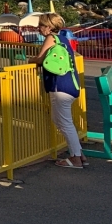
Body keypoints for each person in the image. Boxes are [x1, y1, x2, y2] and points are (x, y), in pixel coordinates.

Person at [33, 13, 85, 168]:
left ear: (49, 27)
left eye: (41, 25)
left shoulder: (51, 38)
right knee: (60, 120)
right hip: (70, 85)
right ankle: (79, 154)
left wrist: (29, 60)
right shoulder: (64, 39)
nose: (38, 28)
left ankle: (75, 158)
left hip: (60, 86)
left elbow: (40, 58)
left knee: (65, 122)